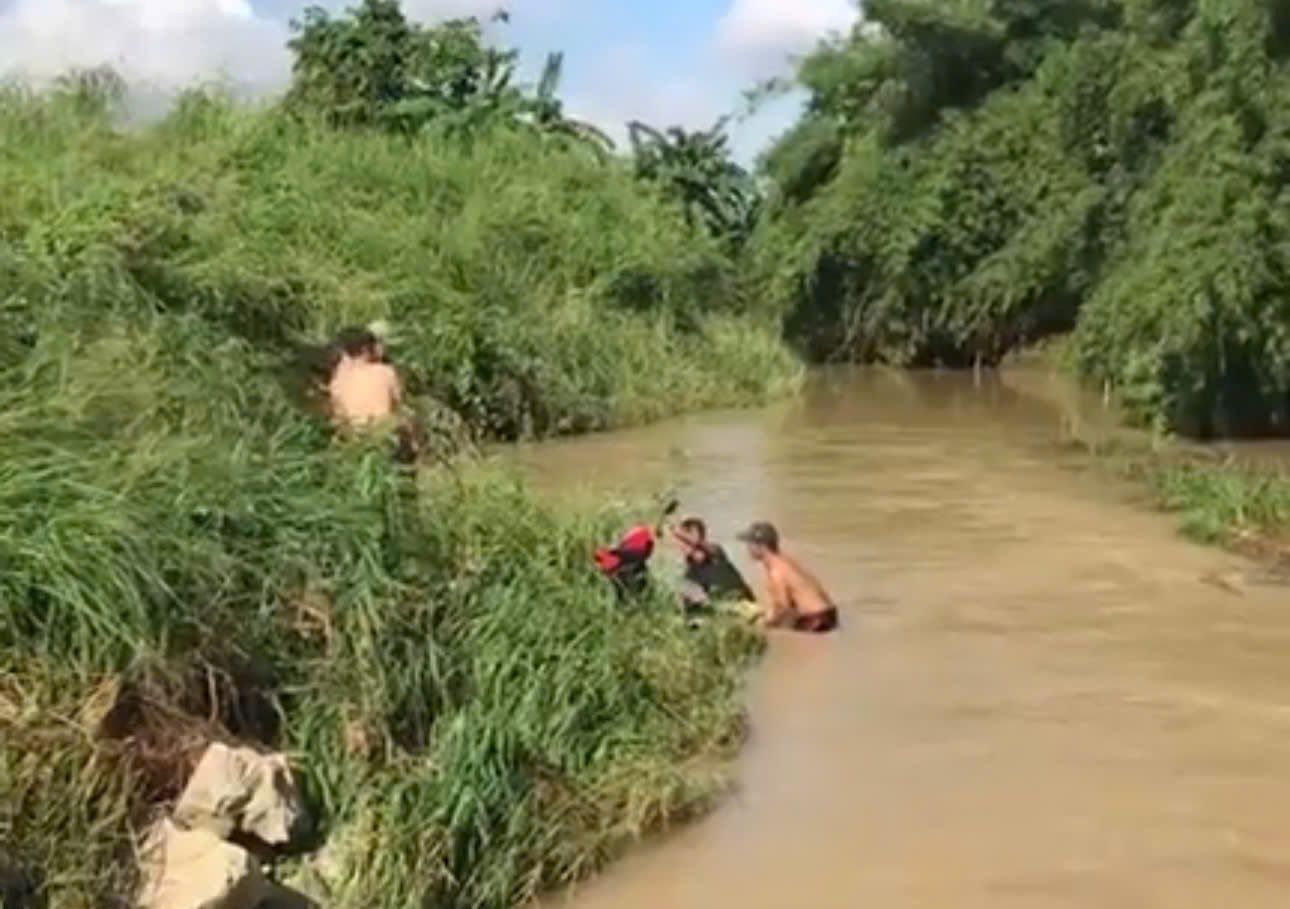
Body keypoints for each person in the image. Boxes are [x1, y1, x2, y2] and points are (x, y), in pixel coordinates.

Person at [327, 327, 419, 462]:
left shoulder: (337, 383)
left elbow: (340, 420)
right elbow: (399, 405)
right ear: (366, 350)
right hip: (386, 437)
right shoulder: (385, 372)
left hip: (358, 441)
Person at [737, 521, 839, 634]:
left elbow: (783, 607)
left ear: (761, 546)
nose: (747, 549)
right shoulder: (784, 561)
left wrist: (763, 625)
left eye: (750, 544)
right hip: (829, 613)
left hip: (815, 620)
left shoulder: (776, 570)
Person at [672, 517, 755, 609]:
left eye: (684, 540)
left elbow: (701, 545)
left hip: (745, 604)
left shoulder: (716, 552)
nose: (681, 545)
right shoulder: (690, 573)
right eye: (681, 541)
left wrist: (679, 534)